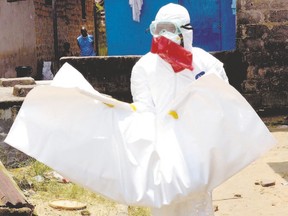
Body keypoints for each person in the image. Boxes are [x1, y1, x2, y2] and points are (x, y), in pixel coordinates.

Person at [5, 3, 275, 216]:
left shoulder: (207, 64)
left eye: (172, 35)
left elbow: (222, 103)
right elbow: (145, 111)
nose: (165, 44)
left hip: (196, 146)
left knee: (196, 200)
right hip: (163, 147)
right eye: (160, 35)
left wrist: (193, 85)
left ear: (186, 33)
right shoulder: (144, 67)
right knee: (164, 199)